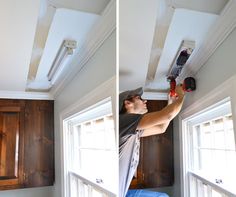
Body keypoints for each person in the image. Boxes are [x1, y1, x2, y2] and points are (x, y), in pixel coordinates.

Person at [119, 85, 185, 197]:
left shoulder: (133, 130)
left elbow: (161, 128)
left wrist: (171, 102)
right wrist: (182, 95)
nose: (145, 100)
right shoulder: (123, 121)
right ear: (127, 103)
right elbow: (167, 115)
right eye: (139, 98)